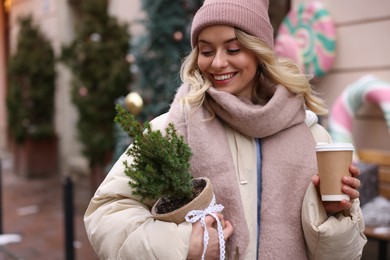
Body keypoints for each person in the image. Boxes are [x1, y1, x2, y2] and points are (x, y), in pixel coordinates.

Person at [84, 0, 367, 259]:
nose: (217, 63)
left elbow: (346, 254)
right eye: (206, 51)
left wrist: (336, 217)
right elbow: (107, 212)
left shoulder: (311, 136)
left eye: (233, 49)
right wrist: (184, 246)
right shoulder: (172, 130)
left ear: (259, 52)